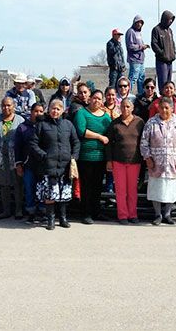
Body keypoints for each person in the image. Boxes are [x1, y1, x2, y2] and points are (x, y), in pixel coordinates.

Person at [30, 99, 80, 230]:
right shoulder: (41, 125)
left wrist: (74, 157)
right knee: (50, 194)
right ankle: (50, 219)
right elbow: (33, 144)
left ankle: (63, 218)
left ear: (62, 110)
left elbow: (76, 142)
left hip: (65, 166)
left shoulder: (68, 125)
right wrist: (43, 155)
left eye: (58, 109)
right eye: (53, 108)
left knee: (63, 194)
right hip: (48, 166)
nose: (55, 111)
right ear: (49, 110)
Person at [140, 97, 176, 225]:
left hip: (173, 163)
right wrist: (147, 157)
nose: (164, 110)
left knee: (170, 189)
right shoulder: (151, 123)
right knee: (156, 189)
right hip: (156, 163)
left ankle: (167, 214)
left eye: (167, 108)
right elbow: (144, 142)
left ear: (172, 109)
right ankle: (157, 215)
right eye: (162, 107)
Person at [73, 89, 112, 224]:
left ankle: (96, 211)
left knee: (97, 186)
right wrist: (100, 136)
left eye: (99, 99)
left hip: (101, 158)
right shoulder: (82, 113)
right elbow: (81, 131)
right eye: (94, 98)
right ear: (89, 99)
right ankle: (86, 213)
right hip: (85, 157)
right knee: (86, 186)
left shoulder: (106, 117)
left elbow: (110, 134)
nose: (97, 100)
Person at [105, 98, 145, 225]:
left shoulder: (139, 122)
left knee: (132, 190)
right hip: (118, 160)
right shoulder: (115, 124)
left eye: (128, 106)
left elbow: (143, 141)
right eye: (123, 107)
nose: (125, 109)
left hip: (135, 160)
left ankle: (132, 214)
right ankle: (122, 215)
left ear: (132, 108)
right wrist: (109, 160)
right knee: (121, 190)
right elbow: (108, 143)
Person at [0, 97, 25, 220]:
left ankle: (18, 210)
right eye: (4, 105)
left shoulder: (20, 120)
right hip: (0, 158)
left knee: (17, 184)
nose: (6, 108)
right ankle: (6, 211)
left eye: (9, 105)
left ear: (14, 106)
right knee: (3, 185)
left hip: (15, 157)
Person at [15, 102, 46, 223]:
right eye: (36, 111)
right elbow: (17, 147)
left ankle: (43, 212)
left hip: (43, 165)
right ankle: (31, 213)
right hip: (28, 165)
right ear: (31, 112)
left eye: (41, 111)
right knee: (29, 189)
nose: (38, 114)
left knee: (43, 189)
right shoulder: (23, 127)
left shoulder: (46, 126)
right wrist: (19, 164)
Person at [151, 10, 176, 87]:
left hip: (170, 60)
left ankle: (168, 98)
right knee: (163, 83)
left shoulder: (170, 30)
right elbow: (154, 44)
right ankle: (162, 98)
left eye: (172, 19)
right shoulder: (156, 29)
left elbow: (173, 43)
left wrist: (174, 53)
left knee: (169, 83)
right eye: (169, 19)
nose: (171, 21)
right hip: (161, 61)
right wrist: (161, 53)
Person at [125, 15, 149, 94]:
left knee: (141, 78)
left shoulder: (139, 33)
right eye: (138, 22)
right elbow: (130, 46)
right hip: (134, 59)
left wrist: (144, 46)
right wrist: (141, 47)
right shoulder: (130, 32)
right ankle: (126, 94)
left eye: (141, 23)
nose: (139, 24)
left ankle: (141, 95)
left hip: (141, 59)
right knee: (133, 78)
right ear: (134, 22)